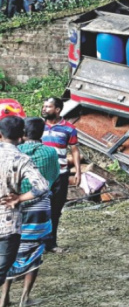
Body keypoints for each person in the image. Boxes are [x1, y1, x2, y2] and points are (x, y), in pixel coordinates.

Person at [5, 118, 58, 307]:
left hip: (11, 208)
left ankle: (4, 298)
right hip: (39, 208)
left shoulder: (12, 152)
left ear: (23, 133)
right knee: (35, 250)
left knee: (10, 251)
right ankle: (25, 298)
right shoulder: (50, 152)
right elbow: (52, 178)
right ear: (42, 133)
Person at [40, 98, 78, 254]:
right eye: (43, 106)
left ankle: (51, 243)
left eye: (48, 107)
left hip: (60, 175)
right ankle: (37, 244)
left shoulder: (69, 129)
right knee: (39, 210)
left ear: (57, 109)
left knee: (55, 210)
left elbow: (75, 151)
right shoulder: (37, 127)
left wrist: (78, 171)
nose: (44, 109)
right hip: (40, 175)